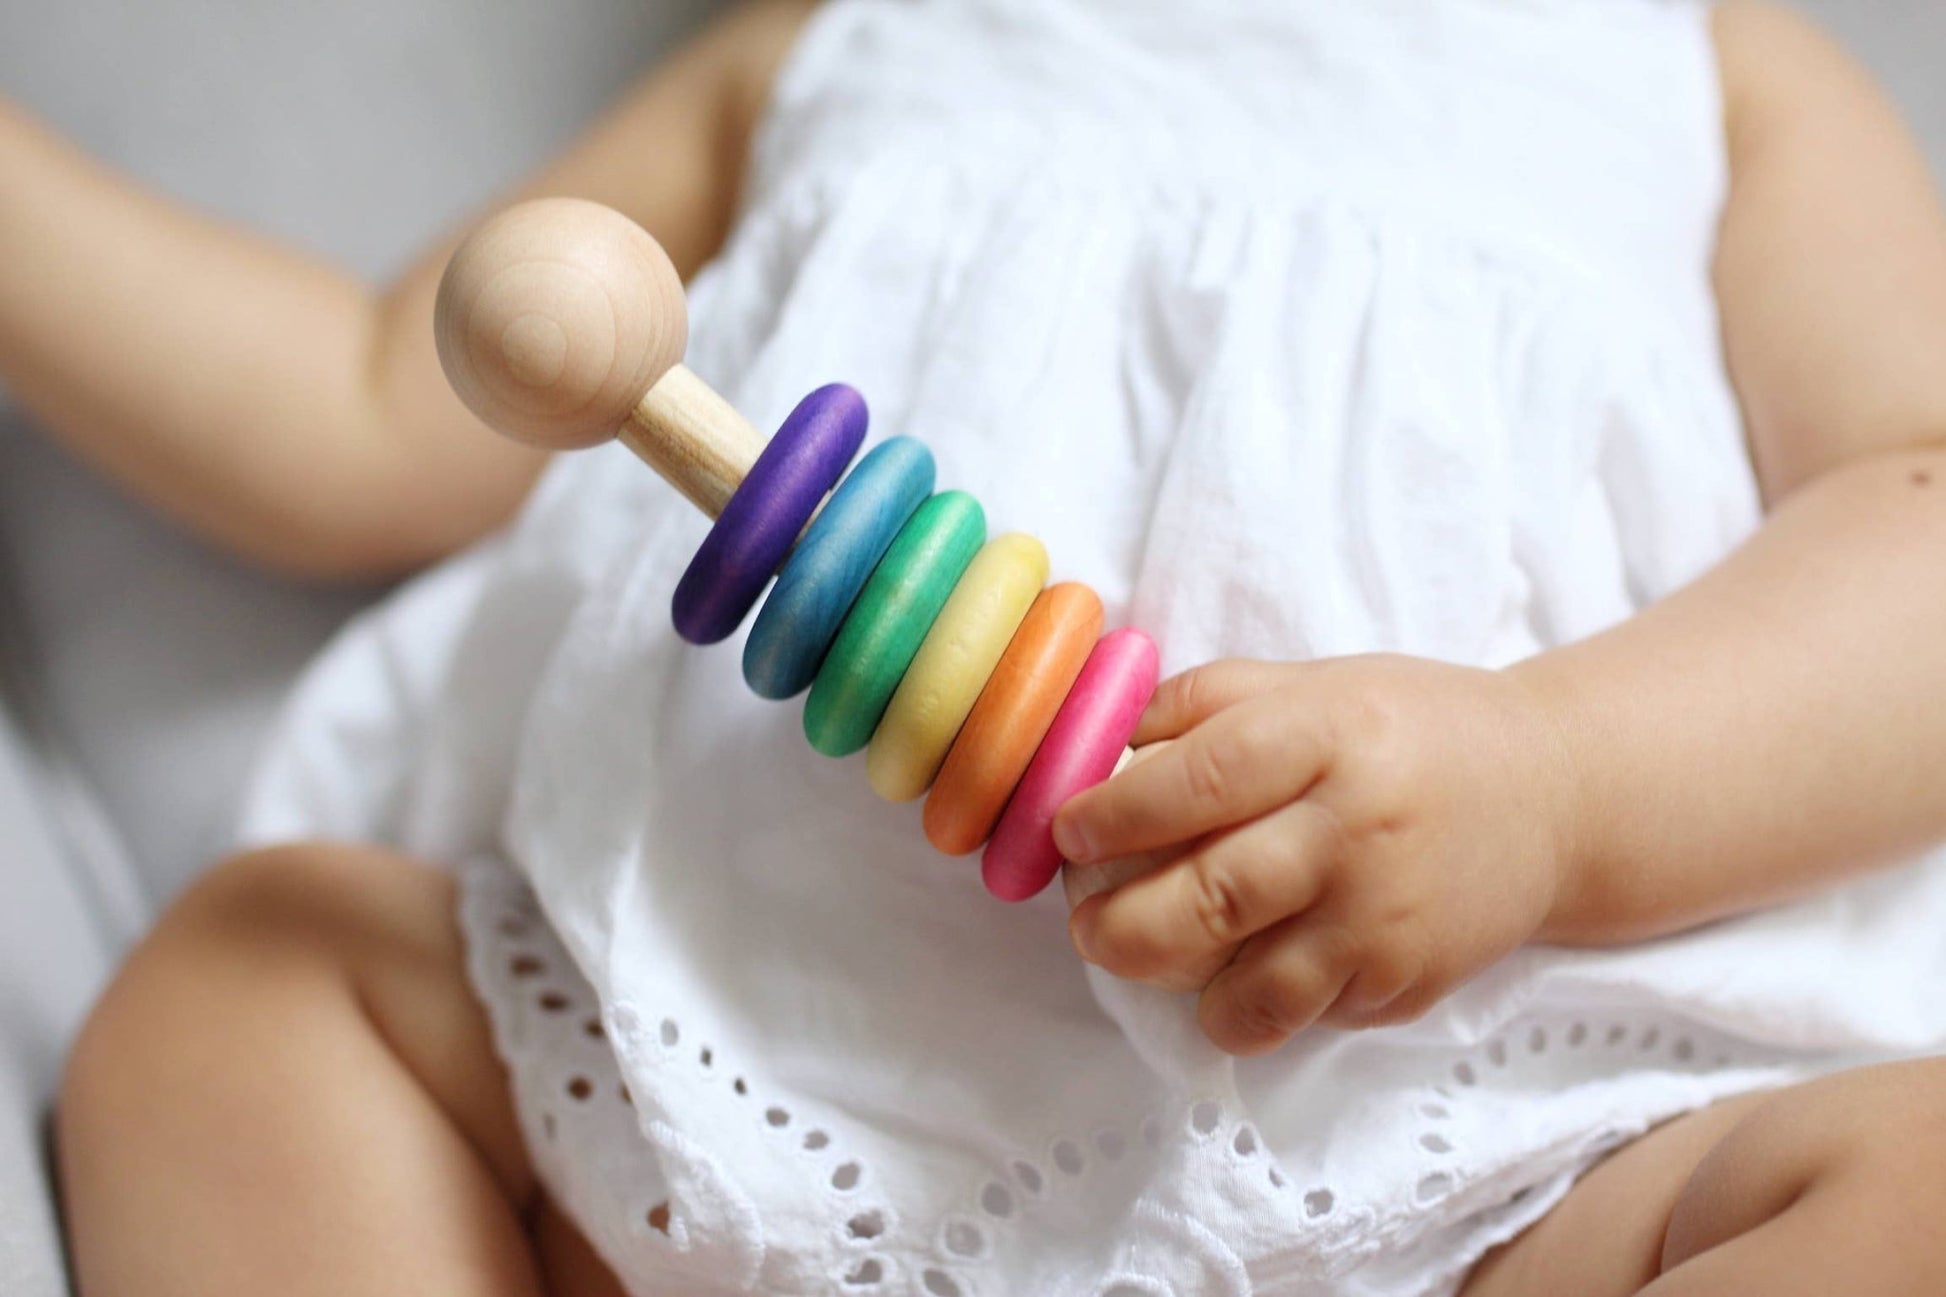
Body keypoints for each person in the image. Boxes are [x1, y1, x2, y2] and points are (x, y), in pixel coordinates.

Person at [11, 0, 1946, 1292]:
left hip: (1474, 1149)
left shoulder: (1705, 70)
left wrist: (1560, 782)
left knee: (1912, 1185)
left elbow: (1917, 521)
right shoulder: (827, 44)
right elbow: (367, 405)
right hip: (728, 1082)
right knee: (235, 1006)